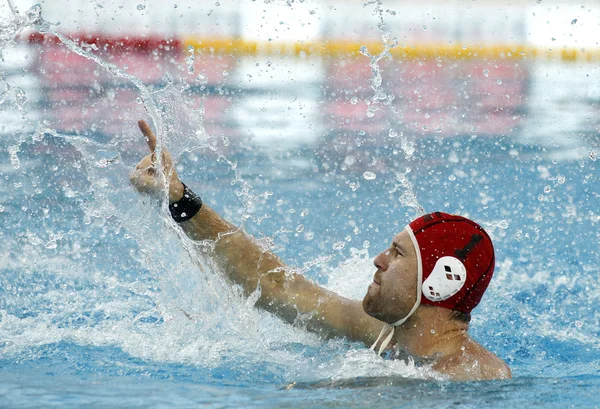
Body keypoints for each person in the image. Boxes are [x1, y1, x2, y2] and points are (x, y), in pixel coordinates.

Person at [130, 119, 512, 381]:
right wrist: (180, 198)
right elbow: (275, 286)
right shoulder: (385, 337)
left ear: (442, 282)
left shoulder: (471, 375)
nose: (378, 260)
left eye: (397, 254)